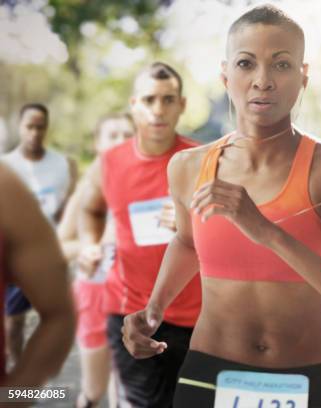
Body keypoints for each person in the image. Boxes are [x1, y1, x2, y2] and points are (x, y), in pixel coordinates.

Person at [121, 5, 321, 407]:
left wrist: (269, 233)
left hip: (305, 380)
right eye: (246, 64)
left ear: (303, 76)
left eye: (281, 65)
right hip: (208, 377)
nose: (263, 81)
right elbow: (189, 243)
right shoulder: (187, 167)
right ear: (226, 76)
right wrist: (153, 310)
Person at [79, 62, 201, 407]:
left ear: (182, 105)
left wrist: (194, 225)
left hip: (195, 316)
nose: (158, 110)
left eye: (168, 99)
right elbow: (90, 208)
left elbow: (233, 232)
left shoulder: (202, 160)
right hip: (130, 312)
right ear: (134, 105)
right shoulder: (110, 162)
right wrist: (90, 245)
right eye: (149, 100)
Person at [57, 113, 135, 408]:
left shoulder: (151, 186)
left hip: (135, 299)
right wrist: (88, 248)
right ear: (97, 144)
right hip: (95, 295)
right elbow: (60, 247)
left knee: (125, 388)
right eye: (112, 135)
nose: (121, 141)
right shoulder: (87, 191)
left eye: (127, 134)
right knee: (94, 389)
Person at [1, 103, 77, 367]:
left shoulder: (63, 165)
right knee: (14, 321)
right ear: (20, 127)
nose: (34, 132)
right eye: (29, 127)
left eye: (40, 126)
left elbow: (70, 208)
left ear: (47, 127)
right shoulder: (5, 166)